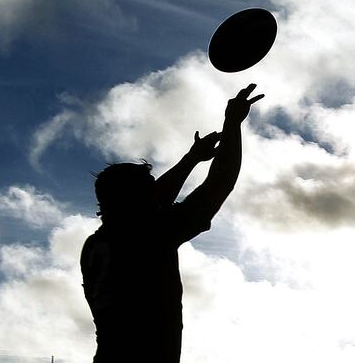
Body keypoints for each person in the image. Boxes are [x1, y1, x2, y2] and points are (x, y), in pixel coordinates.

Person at [80, 84, 264, 363]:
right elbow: (219, 182)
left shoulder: (95, 244)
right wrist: (232, 123)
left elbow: (155, 199)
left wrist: (191, 159)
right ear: (136, 199)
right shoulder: (149, 235)